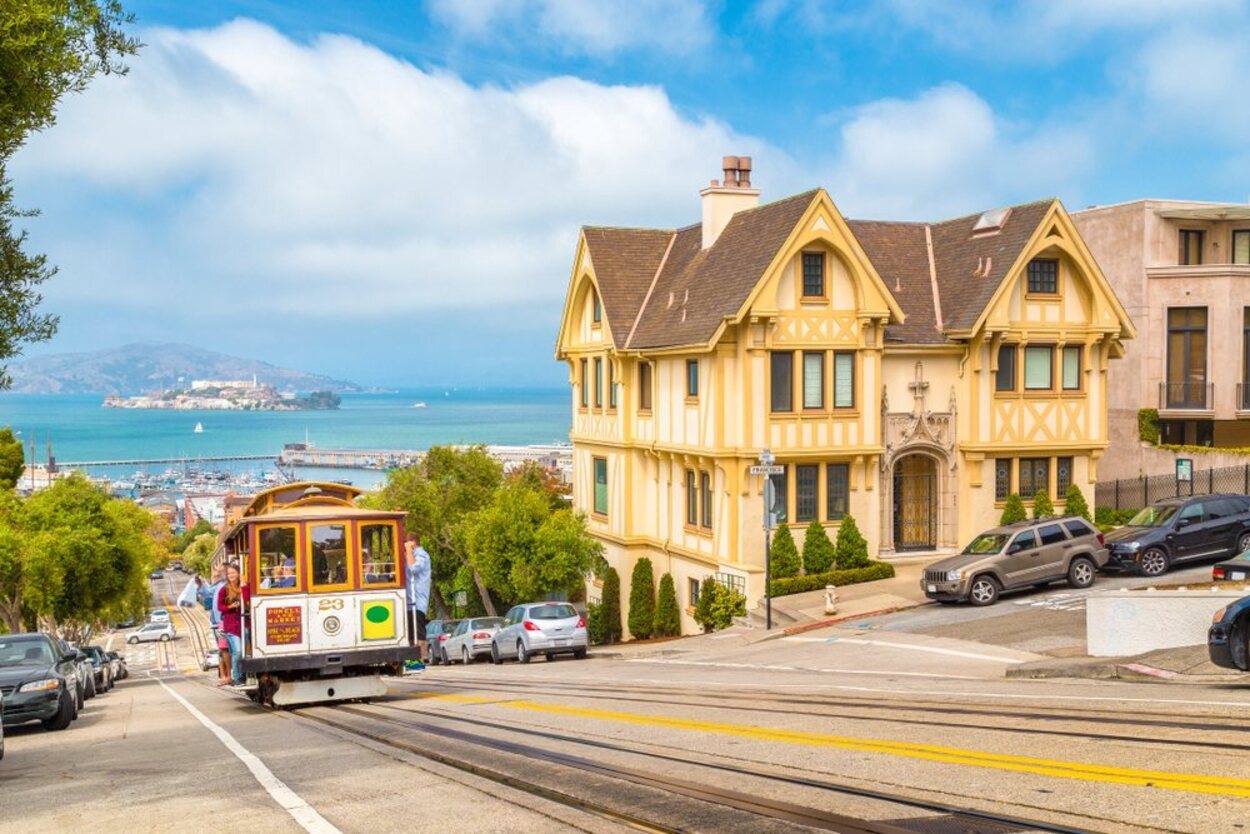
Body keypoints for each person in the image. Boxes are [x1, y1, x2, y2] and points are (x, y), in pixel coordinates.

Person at [216, 562, 251, 686]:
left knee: (245, 652)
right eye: (229, 573)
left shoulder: (244, 587)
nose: (231, 575)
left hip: (244, 624)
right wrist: (230, 606)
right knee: (237, 651)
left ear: (238, 574)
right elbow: (220, 607)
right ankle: (236, 677)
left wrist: (244, 585)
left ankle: (242, 676)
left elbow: (248, 602)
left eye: (233, 573)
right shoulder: (224, 589)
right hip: (231, 625)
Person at [197, 565, 230, 685]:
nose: (219, 574)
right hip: (217, 623)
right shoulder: (218, 585)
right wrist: (200, 584)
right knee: (221, 649)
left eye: (220, 572)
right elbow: (207, 593)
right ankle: (224, 675)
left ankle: (229, 674)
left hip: (225, 622)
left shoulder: (228, 585)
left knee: (226, 649)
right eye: (218, 572)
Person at [404, 531, 431, 669]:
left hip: (417, 601)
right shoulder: (411, 555)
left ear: (412, 542)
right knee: (410, 632)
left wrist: (408, 550)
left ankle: (421, 658)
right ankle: (412, 661)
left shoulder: (421, 555)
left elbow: (413, 569)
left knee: (418, 630)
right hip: (408, 602)